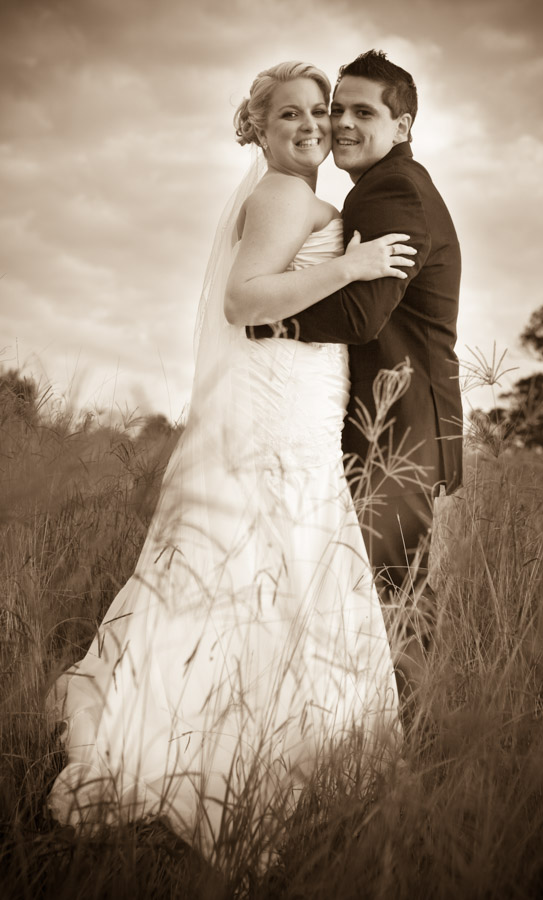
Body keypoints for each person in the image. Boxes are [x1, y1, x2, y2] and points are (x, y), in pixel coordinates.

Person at [46, 62, 415, 869]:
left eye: (319, 111)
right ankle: (250, 763)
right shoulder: (285, 196)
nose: (312, 125)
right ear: (260, 128)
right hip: (279, 412)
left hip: (292, 398)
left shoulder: (295, 195)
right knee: (278, 562)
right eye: (291, 114)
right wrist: (352, 266)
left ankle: (239, 743)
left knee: (261, 568)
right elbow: (245, 301)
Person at [248, 50, 463, 712]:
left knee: (389, 600)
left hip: (396, 428)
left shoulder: (391, 190)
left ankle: (408, 759)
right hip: (406, 423)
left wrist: (268, 322)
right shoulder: (381, 186)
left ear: (402, 125)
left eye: (361, 112)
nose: (340, 122)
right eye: (336, 108)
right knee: (383, 596)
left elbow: (364, 314)